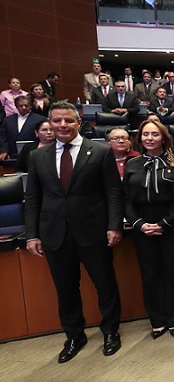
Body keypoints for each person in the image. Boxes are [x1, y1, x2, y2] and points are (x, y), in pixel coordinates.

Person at [24, 102, 123, 363]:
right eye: (57, 121)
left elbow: (113, 192)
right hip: (55, 233)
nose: (62, 125)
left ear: (78, 121)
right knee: (66, 288)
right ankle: (74, 335)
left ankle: (111, 331)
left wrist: (114, 225)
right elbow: (32, 197)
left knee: (105, 284)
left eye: (68, 120)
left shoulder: (100, 152)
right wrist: (31, 234)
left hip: (94, 231)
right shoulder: (38, 156)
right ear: (49, 124)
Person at [123, 119, 174, 339]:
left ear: (164, 138)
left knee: (173, 272)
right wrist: (139, 224)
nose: (149, 138)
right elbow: (126, 200)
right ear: (139, 138)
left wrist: (164, 223)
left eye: (155, 134)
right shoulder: (132, 164)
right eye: (145, 135)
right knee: (150, 274)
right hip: (142, 225)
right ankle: (157, 320)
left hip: (169, 223)